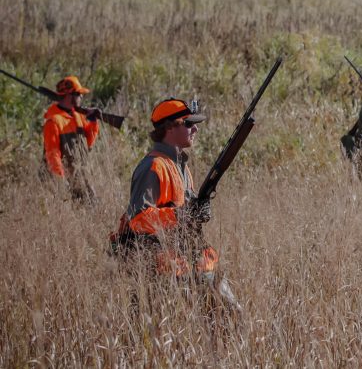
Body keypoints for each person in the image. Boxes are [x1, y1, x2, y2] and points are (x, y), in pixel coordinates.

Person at [114, 98, 239, 310]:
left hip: (191, 263)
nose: (196, 129)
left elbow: (183, 209)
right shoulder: (153, 167)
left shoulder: (180, 165)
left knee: (229, 318)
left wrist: (198, 211)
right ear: (170, 127)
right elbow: (138, 219)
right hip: (166, 272)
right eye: (188, 124)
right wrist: (181, 214)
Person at [42, 76, 101, 201]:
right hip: (61, 180)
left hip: (78, 175)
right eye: (79, 94)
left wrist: (93, 122)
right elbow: (53, 154)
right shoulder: (53, 121)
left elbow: (88, 144)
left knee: (93, 204)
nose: (81, 97)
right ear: (69, 96)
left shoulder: (77, 115)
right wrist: (61, 181)